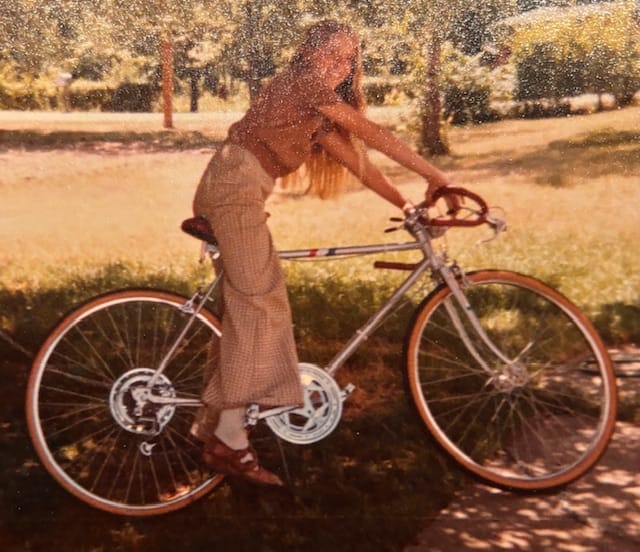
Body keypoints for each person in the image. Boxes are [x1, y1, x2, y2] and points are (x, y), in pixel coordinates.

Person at [190, 20, 455, 486]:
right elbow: (373, 134)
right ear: (308, 55)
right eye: (330, 53)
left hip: (234, 186)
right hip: (234, 186)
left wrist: (408, 204)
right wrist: (437, 175)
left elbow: (363, 164)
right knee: (261, 299)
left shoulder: (313, 115)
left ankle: (215, 427)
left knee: (243, 308)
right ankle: (230, 438)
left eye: (348, 57)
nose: (339, 64)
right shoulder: (302, 84)